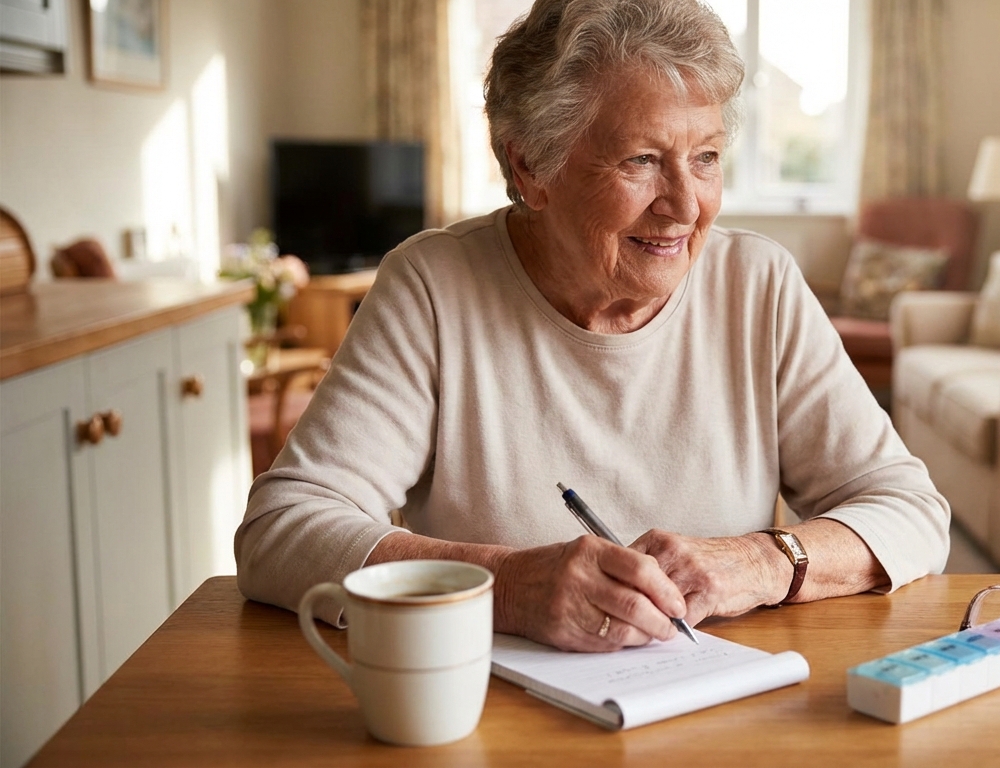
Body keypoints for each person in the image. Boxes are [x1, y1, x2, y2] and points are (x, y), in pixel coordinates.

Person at [235, 0, 950, 652]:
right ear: (530, 165)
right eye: (641, 160)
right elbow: (282, 529)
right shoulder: (433, 288)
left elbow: (910, 511)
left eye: (704, 158)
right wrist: (506, 585)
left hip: (714, 708)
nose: (685, 205)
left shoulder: (756, 285)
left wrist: (765, 561)